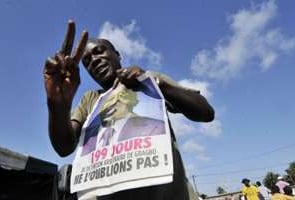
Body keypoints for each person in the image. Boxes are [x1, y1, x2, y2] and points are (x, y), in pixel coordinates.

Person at [43, 21, 214, 200]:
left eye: (99, 51)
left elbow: (206, 112)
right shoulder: (90, 100)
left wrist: (154, 83)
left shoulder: (149, 81)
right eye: (86, 61)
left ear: (117, 54)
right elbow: (63, 147)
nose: (93, 60)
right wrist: (57, 105)